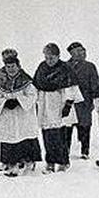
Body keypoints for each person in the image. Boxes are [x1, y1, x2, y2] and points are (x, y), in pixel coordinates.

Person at [0, 51, 42, 177]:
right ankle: (12, 164)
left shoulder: (26, 80)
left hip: (23, 115)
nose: (10, 69)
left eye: (13, 66)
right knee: (9, 138)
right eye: (8, 67)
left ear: (18, 66)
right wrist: (5, 102)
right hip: (8, 115)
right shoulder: (1, 80)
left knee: (25, 136)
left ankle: (29, 162)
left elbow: (33, 95)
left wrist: (18, 101)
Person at [33, 43, 84, 173]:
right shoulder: (42, 67)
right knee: (47, 136)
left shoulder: (64, 68)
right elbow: (36, 85)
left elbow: (72, 88)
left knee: (60, 136)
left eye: (52, 58)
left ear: (58, 56)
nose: (49, 61)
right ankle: (50, 162)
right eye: (47, 57)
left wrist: (68, 104)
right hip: (45, 104)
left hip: (59, 104)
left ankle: (62, 162)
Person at [66, 42, 99, 160]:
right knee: (67, 128)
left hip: (84, 102)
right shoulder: (65, 66)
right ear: (71, 53)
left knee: (84, 127)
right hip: (68, 103)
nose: (82, 53)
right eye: (79, 50)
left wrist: (93, 102)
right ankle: (66, 150)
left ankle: (85, 151)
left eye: (83, 50)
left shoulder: (90, 66)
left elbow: (95, 85)